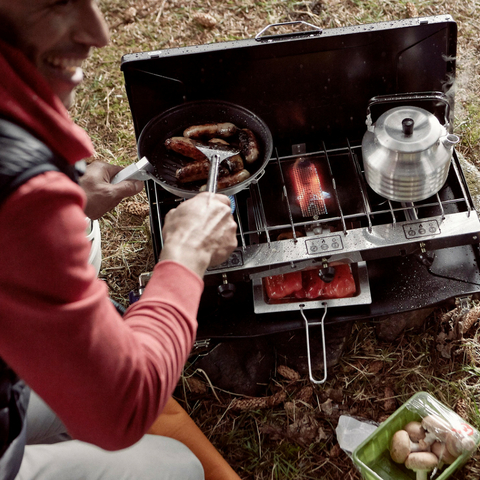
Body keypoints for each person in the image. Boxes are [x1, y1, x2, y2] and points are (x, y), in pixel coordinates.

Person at [0, 1, 239, 479]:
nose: (100, 33)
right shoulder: (18, 188)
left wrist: (69, 205)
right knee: (180, 468)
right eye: (55, 3)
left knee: (84, 233)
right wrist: (185, 257)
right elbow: (121, 411)